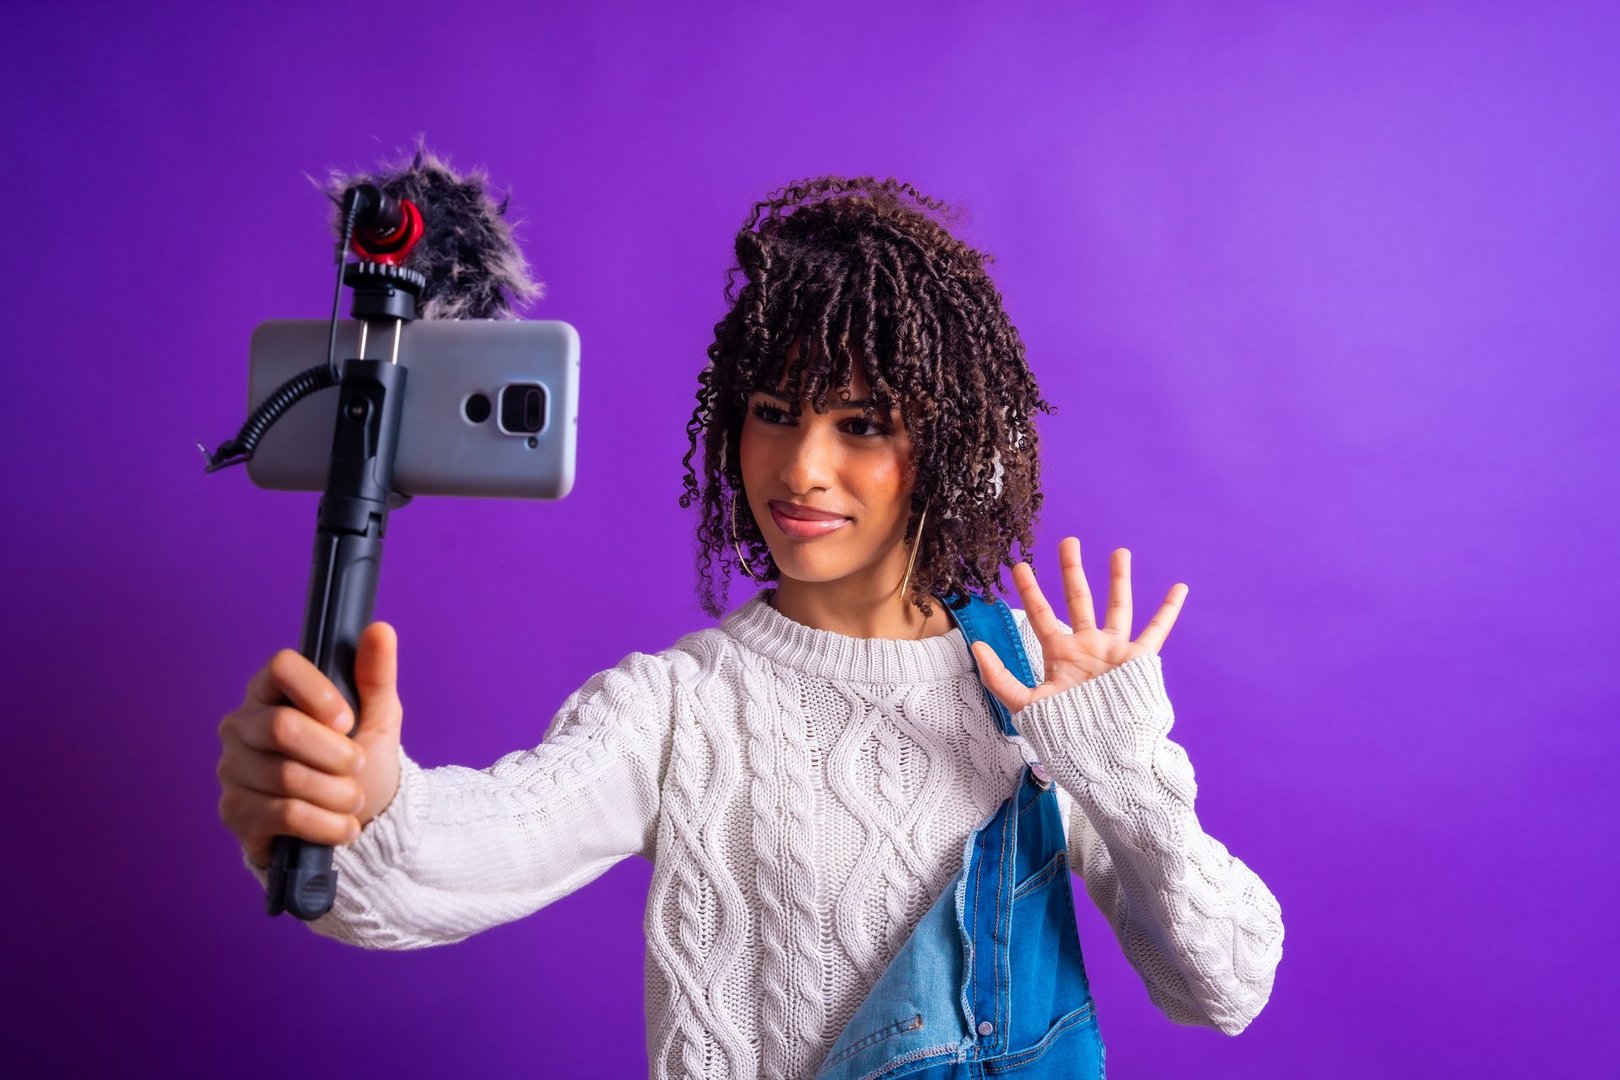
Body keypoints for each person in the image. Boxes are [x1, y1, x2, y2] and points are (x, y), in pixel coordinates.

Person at [216, 176, 1284, 1077]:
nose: (801, 467)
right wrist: (362, 804)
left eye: (861, 424)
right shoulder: (681, 707)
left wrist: (1122, 768)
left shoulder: (1030, 693)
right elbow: (445, 862)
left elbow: (1226, 985)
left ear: (949, 448)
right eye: (775, 412)